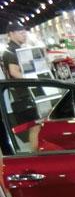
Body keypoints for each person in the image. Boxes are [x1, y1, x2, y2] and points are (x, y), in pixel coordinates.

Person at [2, 21, 40, 150]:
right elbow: (14, 72)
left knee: (35, 127)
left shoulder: (18, 50)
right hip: (21, 96)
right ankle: (35, 155)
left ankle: (35, 153)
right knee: (34, 127)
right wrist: (34, 80)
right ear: (11, 34)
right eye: (20, 32)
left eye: (25, 32)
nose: (24, 34)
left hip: (25, 95)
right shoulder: (10, 52)